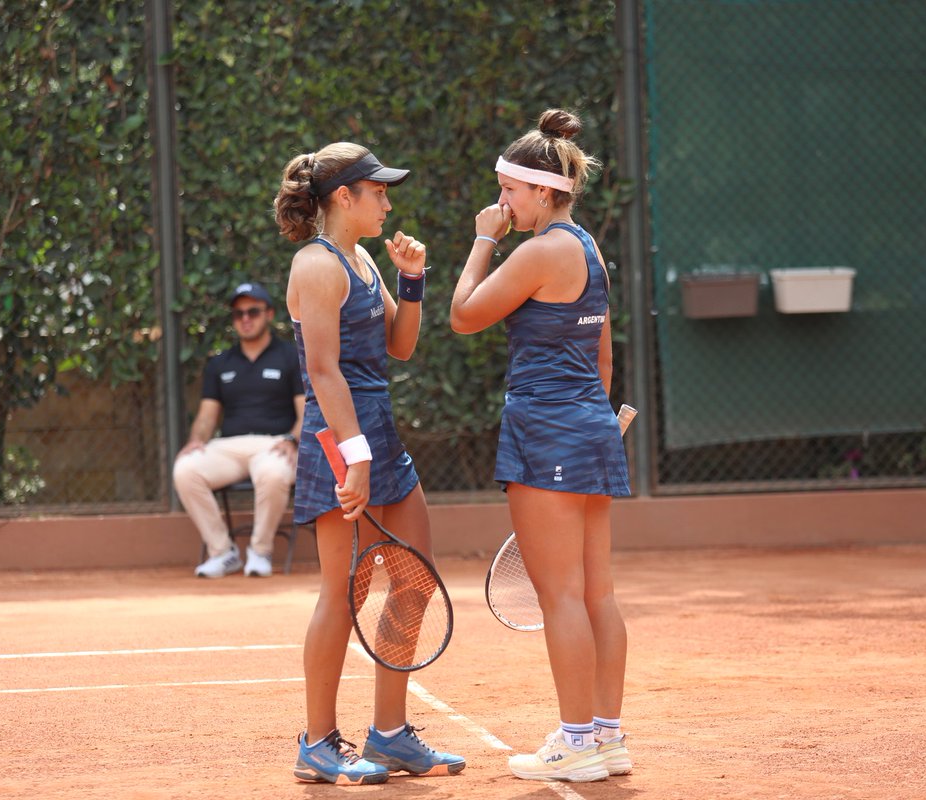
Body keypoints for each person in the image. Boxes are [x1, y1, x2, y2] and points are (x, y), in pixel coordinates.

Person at [449, 109, 631, 783]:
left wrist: (481, 242)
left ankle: (578, 741)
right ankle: (607, 738)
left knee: (560, 595)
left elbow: (464, 315)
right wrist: (592, 421)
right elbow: (603, 355)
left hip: (545, 432)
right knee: (597, 596)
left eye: (509, 192)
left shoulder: (538, 251)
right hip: (588, 429)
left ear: (544, 191)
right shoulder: (588, 248)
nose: (501, 203)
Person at [274, 143, 465, 785]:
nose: (387, 200)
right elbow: (323, 369)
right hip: (340, 440)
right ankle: (318, 741)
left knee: (414, 580)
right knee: (343, 591)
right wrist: (353, 455)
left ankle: (388, 735)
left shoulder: (362, 262)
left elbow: (400, 345)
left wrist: (411, 278)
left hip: (381, 435)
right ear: (342, 198)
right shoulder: (315, 264)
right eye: (376, 190)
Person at [172, 281, 305, 579]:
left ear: (269, 314)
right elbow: (207, 416)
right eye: (238, 313)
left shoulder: (290, 356)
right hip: (229, 447)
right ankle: (222, 552)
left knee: (273, 473)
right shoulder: (220, 363)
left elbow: (306, 410)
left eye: (253, 311)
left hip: (274, 444)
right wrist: (196, 440)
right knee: (185, 469)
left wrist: (293, 439)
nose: (245, 318)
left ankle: (260, 551)